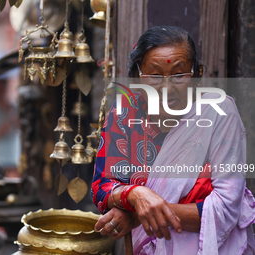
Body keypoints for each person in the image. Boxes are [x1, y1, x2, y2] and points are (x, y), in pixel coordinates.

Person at [91, 26, 255, 254]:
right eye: (155, 76)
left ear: (197, 75)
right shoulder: (124, 113)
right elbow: (102, 186)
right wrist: (136, 195)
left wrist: (139, 214)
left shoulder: (218, 113)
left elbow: (226, 207)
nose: (167, 89)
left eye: (179, 75)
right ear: (137, 77)